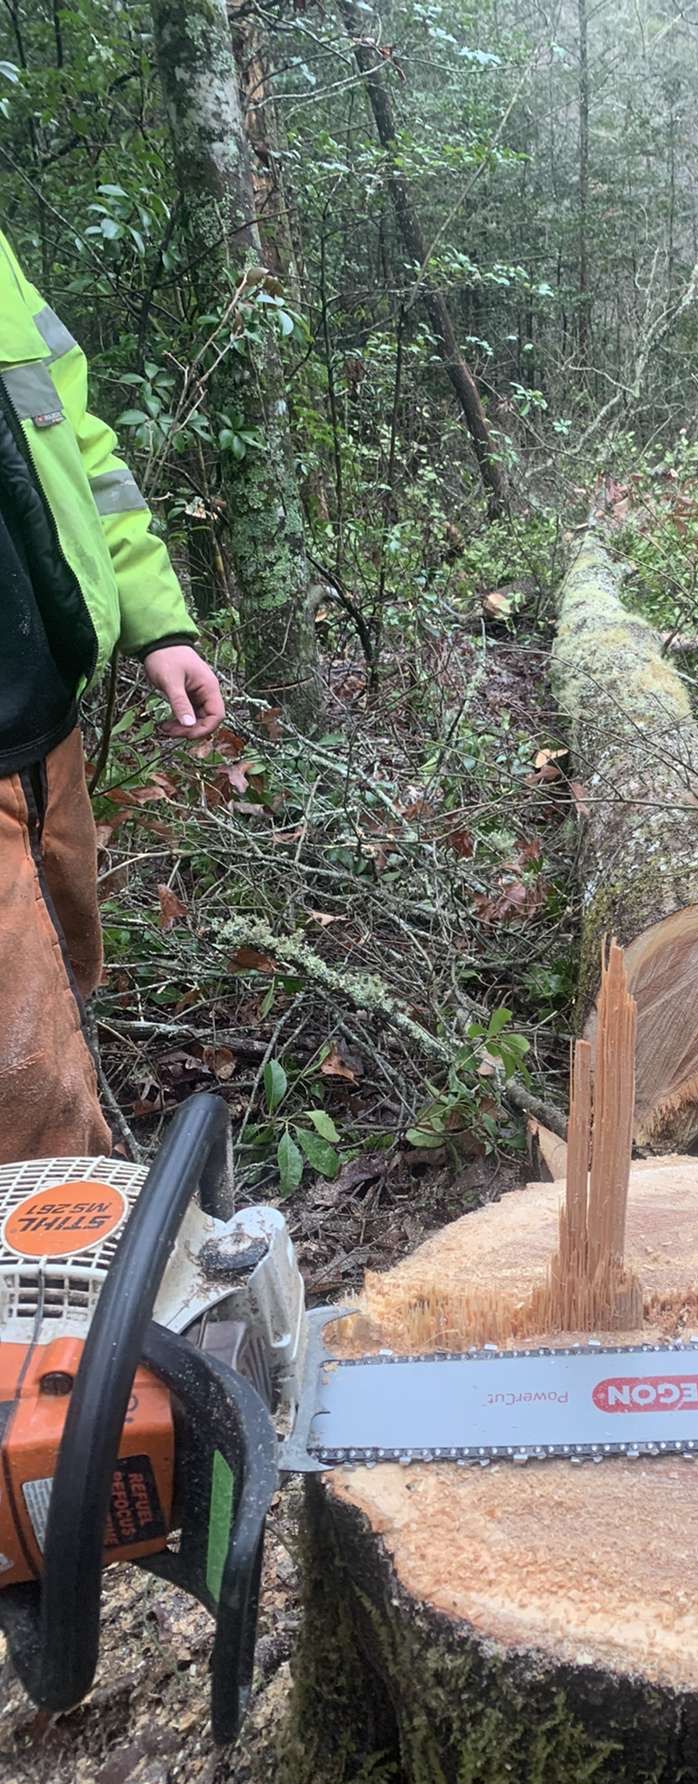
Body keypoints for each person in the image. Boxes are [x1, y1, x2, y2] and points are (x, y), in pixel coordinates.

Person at [0, 227, 224, 1164]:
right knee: (23, 1080)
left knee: (68, 976)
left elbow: (79, 448)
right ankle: (70, 1294)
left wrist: (155, 621)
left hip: (43, 717)